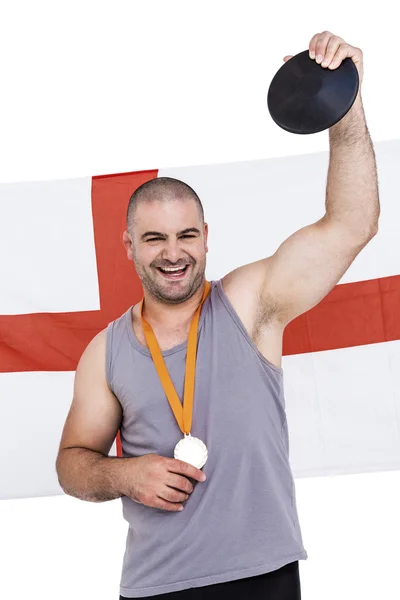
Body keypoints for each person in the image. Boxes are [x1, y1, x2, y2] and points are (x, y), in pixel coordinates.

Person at [56, 31, 380, 600]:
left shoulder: (249, 306)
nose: (173, 253)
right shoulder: (105, 352)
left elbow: (352, 224)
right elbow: (72, 464)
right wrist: (122, 474)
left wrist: (344, 106)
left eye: (186, 236)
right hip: (158, 586)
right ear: (128, 246)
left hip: (265, 577)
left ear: (206, 239)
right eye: (154, 239)